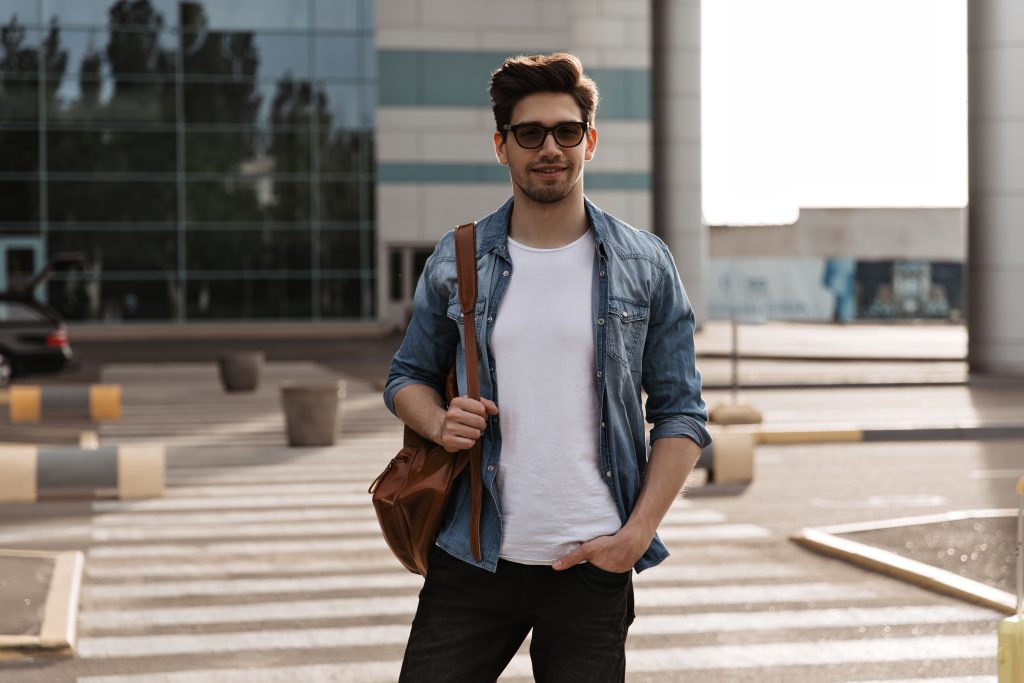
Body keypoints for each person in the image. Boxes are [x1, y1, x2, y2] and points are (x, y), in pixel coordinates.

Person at [383, 52, 711, 682]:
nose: (549, 148)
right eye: (529, 134)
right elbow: (406, 378)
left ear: (590, 140)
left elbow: (682, 413)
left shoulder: (645, 263)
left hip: (594, 563)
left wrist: (635, 537)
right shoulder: (459, 258)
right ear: (501, 146)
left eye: (565, 131)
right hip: (475, 556)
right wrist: (436, 422)